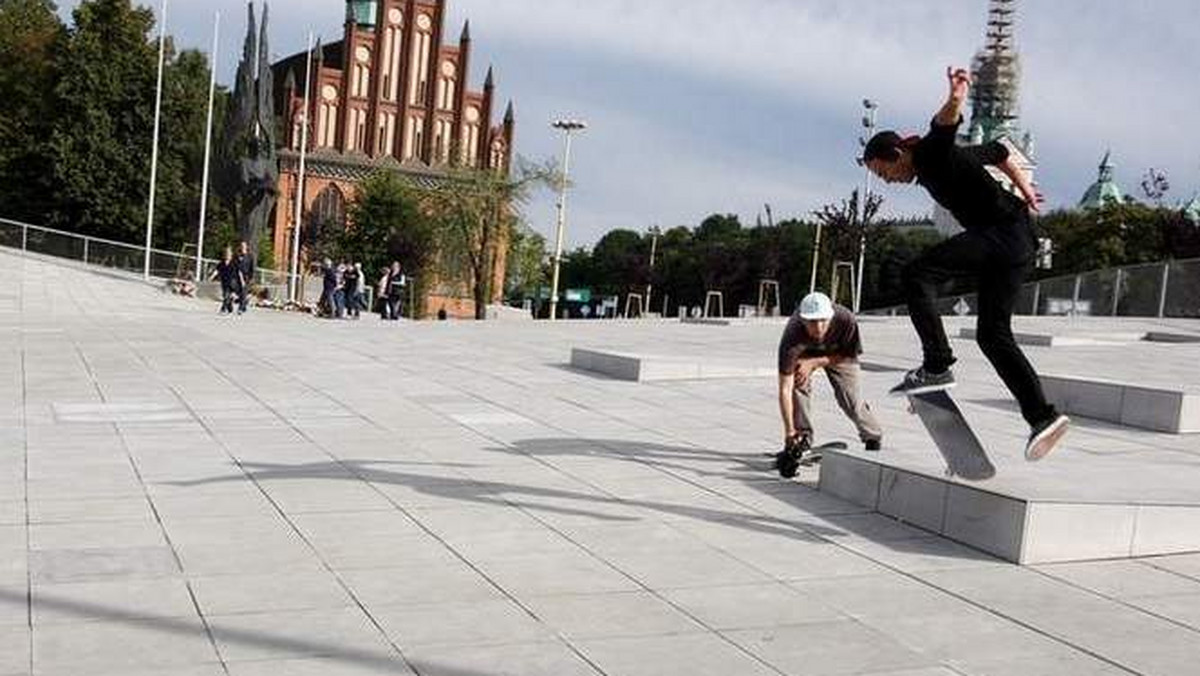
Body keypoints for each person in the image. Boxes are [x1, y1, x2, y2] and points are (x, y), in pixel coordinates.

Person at [863, 66, 1069, 461]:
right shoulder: (950, 159)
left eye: (883, 171)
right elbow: (1001, 152)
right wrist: (1026, 190)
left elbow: (944, 124)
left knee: (917, 272)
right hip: (1016, 242)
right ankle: (1043, 416)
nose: (886, 180)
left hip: (1000, 236)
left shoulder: (930, 153)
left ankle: (937, 364)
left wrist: (957, 95)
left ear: (896, 154)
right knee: (993, 336)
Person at [775, 292, 883, 475]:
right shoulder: (792, 335)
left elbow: (850, 353)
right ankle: (802, 439)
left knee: (850, 399)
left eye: (823, 321)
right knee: (798, 386)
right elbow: (785, 389)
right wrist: (789, 432)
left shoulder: (845, 319)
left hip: (840, 355)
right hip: (804, 355)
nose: (818, 328)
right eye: (812, 322)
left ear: (831, 317)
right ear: (802, 320)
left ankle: (872, 436)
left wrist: (815, 363)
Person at [209, 246, 241, 315]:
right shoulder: (221, 263)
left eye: (229, 254)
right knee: (226, 296)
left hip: (232, 282)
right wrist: (211, 277)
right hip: (224, 282)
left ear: (231, 255)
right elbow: (217, 270)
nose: (227, 255)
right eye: (226, 254)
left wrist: (242, 281)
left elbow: (239, 272)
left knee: (226, 296)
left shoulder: (234, 262)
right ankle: (230, 308)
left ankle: (223, 309)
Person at [234, 241, 256, 314]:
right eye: (241, 246)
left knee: (243, 292)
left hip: (246, 277)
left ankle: (240, 307)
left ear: (246, 247)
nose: (242, 247)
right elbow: (234, 266)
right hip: (237, 276)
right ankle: (244, 305)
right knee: (239, 292)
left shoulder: (250, 256)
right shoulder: (237, 255)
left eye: (244, 246)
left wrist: (251, 278)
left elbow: (252, 267)